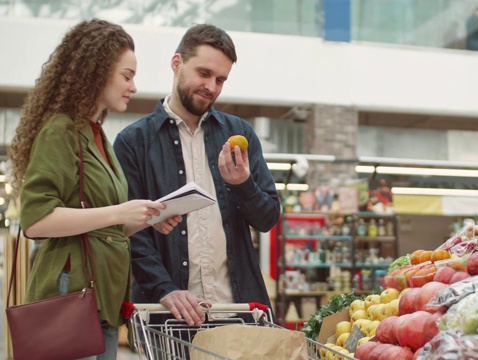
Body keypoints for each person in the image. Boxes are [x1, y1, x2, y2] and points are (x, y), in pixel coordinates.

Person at [8, 19, 181, 360]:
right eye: (127, 75)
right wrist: (121, 211)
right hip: (72, 293)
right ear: (97, 71)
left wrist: (144, 218)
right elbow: (36, 220)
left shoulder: (97, 136)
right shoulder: (61, 131)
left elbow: (100, 222)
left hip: (101, 296)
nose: (133, 86)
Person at [113, 24, 281, 327]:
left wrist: (243, 185)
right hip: (168, 317)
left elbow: (268, 218)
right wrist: (164, 289)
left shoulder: (239, 134)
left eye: (221, 80)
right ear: (177, 63)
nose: (212, 87)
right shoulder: (134, 142)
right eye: (204, 74)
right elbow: (129, 232)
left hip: (239, 310)